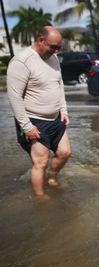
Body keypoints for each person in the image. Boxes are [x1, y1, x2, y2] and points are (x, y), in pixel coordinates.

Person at [7, 26, 71, 199]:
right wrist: (27, 126)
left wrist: (63, 109)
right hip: (34, 120)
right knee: (40, 162)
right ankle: (41, 199)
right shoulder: (21, 62)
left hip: (55, 118)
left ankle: (51, 178)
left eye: (58, 48)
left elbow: (59, 84)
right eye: (53, 47)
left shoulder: (54, 58)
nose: (56, 51)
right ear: (41, 40)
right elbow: (14, 97)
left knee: (64, 152)